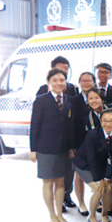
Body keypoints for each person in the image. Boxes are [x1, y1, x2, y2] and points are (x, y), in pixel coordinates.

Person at [30, 68, 74, 222]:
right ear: (48, 82)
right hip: (45, 148)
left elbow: (70, 127)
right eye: (54, 80)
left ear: (65, 82)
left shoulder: (69, 101)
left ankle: (60, 214)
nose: (58, 83)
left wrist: (70, 147)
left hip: (63, 148)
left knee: (61, 182)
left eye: (61, 80)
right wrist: (33, 149)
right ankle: (52, 215)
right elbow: (35, 126)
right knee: (48, 182)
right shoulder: (41, 100)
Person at [36, 56, 79, 209]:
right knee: (49, 179)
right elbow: (37, 123)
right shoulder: (42, 93)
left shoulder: (71, 93)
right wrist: (33, 149)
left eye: (65, 69)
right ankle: (53, 211)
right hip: (47, 145)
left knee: (65, 177)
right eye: (59, 69)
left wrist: (72, 145)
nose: (60, 80)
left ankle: (64, 201)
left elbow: (72, 120)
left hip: (65, 144)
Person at [72, 108, 112, 222]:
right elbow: (91, 158)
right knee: (99, 189)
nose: (108, 124)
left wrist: (107, 178)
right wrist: (98, 179)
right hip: (84, 164)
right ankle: (91, 216)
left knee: (108, 187)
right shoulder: (92, 134)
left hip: (103, 164)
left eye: (111, 121)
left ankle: (104, 214)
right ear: (100, 121)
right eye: (104, 121)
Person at [71, 72, 97, 215]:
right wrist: (72, 145)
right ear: (79, 82)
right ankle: (81, 203)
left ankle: (97, 199)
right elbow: (71, 125)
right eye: (83, 80)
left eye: (89, 80)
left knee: (95, 172)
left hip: (96, 142)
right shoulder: (73, 100)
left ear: (94, 82)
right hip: (79, 142)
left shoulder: (98, 97)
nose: (86, 83)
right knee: (79, 174)